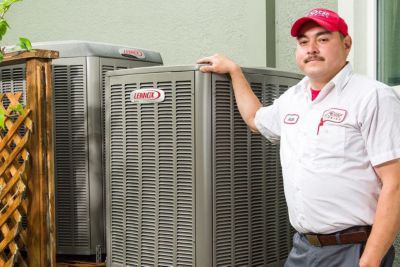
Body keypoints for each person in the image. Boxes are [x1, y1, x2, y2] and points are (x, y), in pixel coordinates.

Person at [197, 7, 400, 267]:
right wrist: (235, 72)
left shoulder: (372, 96)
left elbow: (394, 184)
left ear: (346, 44)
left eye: (323, 39)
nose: (311, 48)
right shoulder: (293, 99)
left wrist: (370, 260)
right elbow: (255, 119)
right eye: (304, 42)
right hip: (303, 248)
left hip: (353, 250)